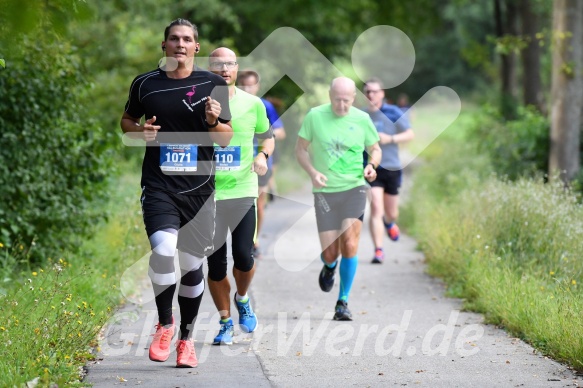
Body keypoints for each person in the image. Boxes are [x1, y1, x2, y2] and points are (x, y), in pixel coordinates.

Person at [120, 18, 233, 368]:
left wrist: (214, 121)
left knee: (191, 265)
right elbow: (126, 124)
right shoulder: (145, 84)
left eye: (187, 39)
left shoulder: (213, 83)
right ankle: (165, 325)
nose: (180, 44)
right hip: (159, 185)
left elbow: (225, 138)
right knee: (164, 249)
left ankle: (186, 338)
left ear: (196, 47)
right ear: (164, 45)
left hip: (200, 190)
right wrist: (142, 132)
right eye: (174, 39)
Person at [295, 77, 381, 321]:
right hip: (324, 192)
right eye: (336, 100)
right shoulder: (315, 116)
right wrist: (312, 173)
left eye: (346, 100)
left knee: (351, 244)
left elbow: (375, 148)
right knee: (331, 252)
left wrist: (372, 166)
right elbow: (300, 149)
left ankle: (342, 301)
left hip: (354, 188)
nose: (341, 105)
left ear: (353, 98)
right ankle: (330, 266)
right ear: (329, 96)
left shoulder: (362, 119)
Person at [206, 48, 275, 345]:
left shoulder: (253, 104)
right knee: (216, 265)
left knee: (245, 258)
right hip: (207, 195)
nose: (224, 69)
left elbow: (267, 137)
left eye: (230, 64)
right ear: (209, 68)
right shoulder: (198, 102)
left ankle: (243, 298)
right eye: (218, 64)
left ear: (237, 68)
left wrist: (263, 156)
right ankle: (224, 322)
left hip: (243, 190)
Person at [362, 78, 414, 264]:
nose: (371, 95)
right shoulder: (360, 115)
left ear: (382, 93)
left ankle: (389, 223)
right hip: (370, 168)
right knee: (376, 207)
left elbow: (409, 134)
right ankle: (378, 250)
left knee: (391, 212)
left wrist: (389, 139)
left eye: (375, 91)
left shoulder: (393, 112)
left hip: (392, 167)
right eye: (367, 92)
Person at [237, 70, 286, 257]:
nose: (247, 89)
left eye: (251, 85)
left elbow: (281, 133)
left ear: (257, 87)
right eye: (243, 85)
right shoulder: (231, 104)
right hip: (236, 162)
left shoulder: (264, 106)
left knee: (256, 202)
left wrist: (263, 132)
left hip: (261, 162)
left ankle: (254, 242)